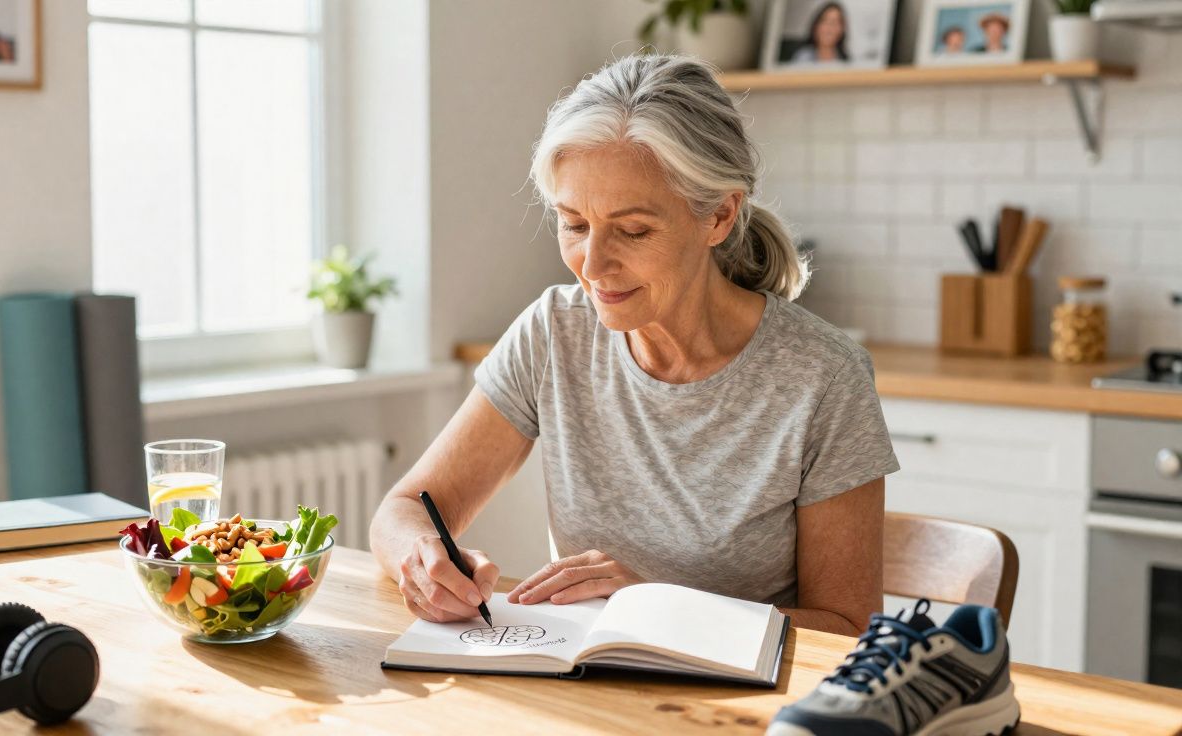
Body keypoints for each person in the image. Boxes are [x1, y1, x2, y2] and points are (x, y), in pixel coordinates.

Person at [369, 54, 899, 637]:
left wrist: (658, 606)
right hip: (587, 681)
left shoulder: (823, 377)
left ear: (720, 216)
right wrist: (422, 559)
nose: (592, 265)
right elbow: (404, 509)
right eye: (574, 224)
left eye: (633, 230)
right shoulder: (555, 331)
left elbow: (848, 628)